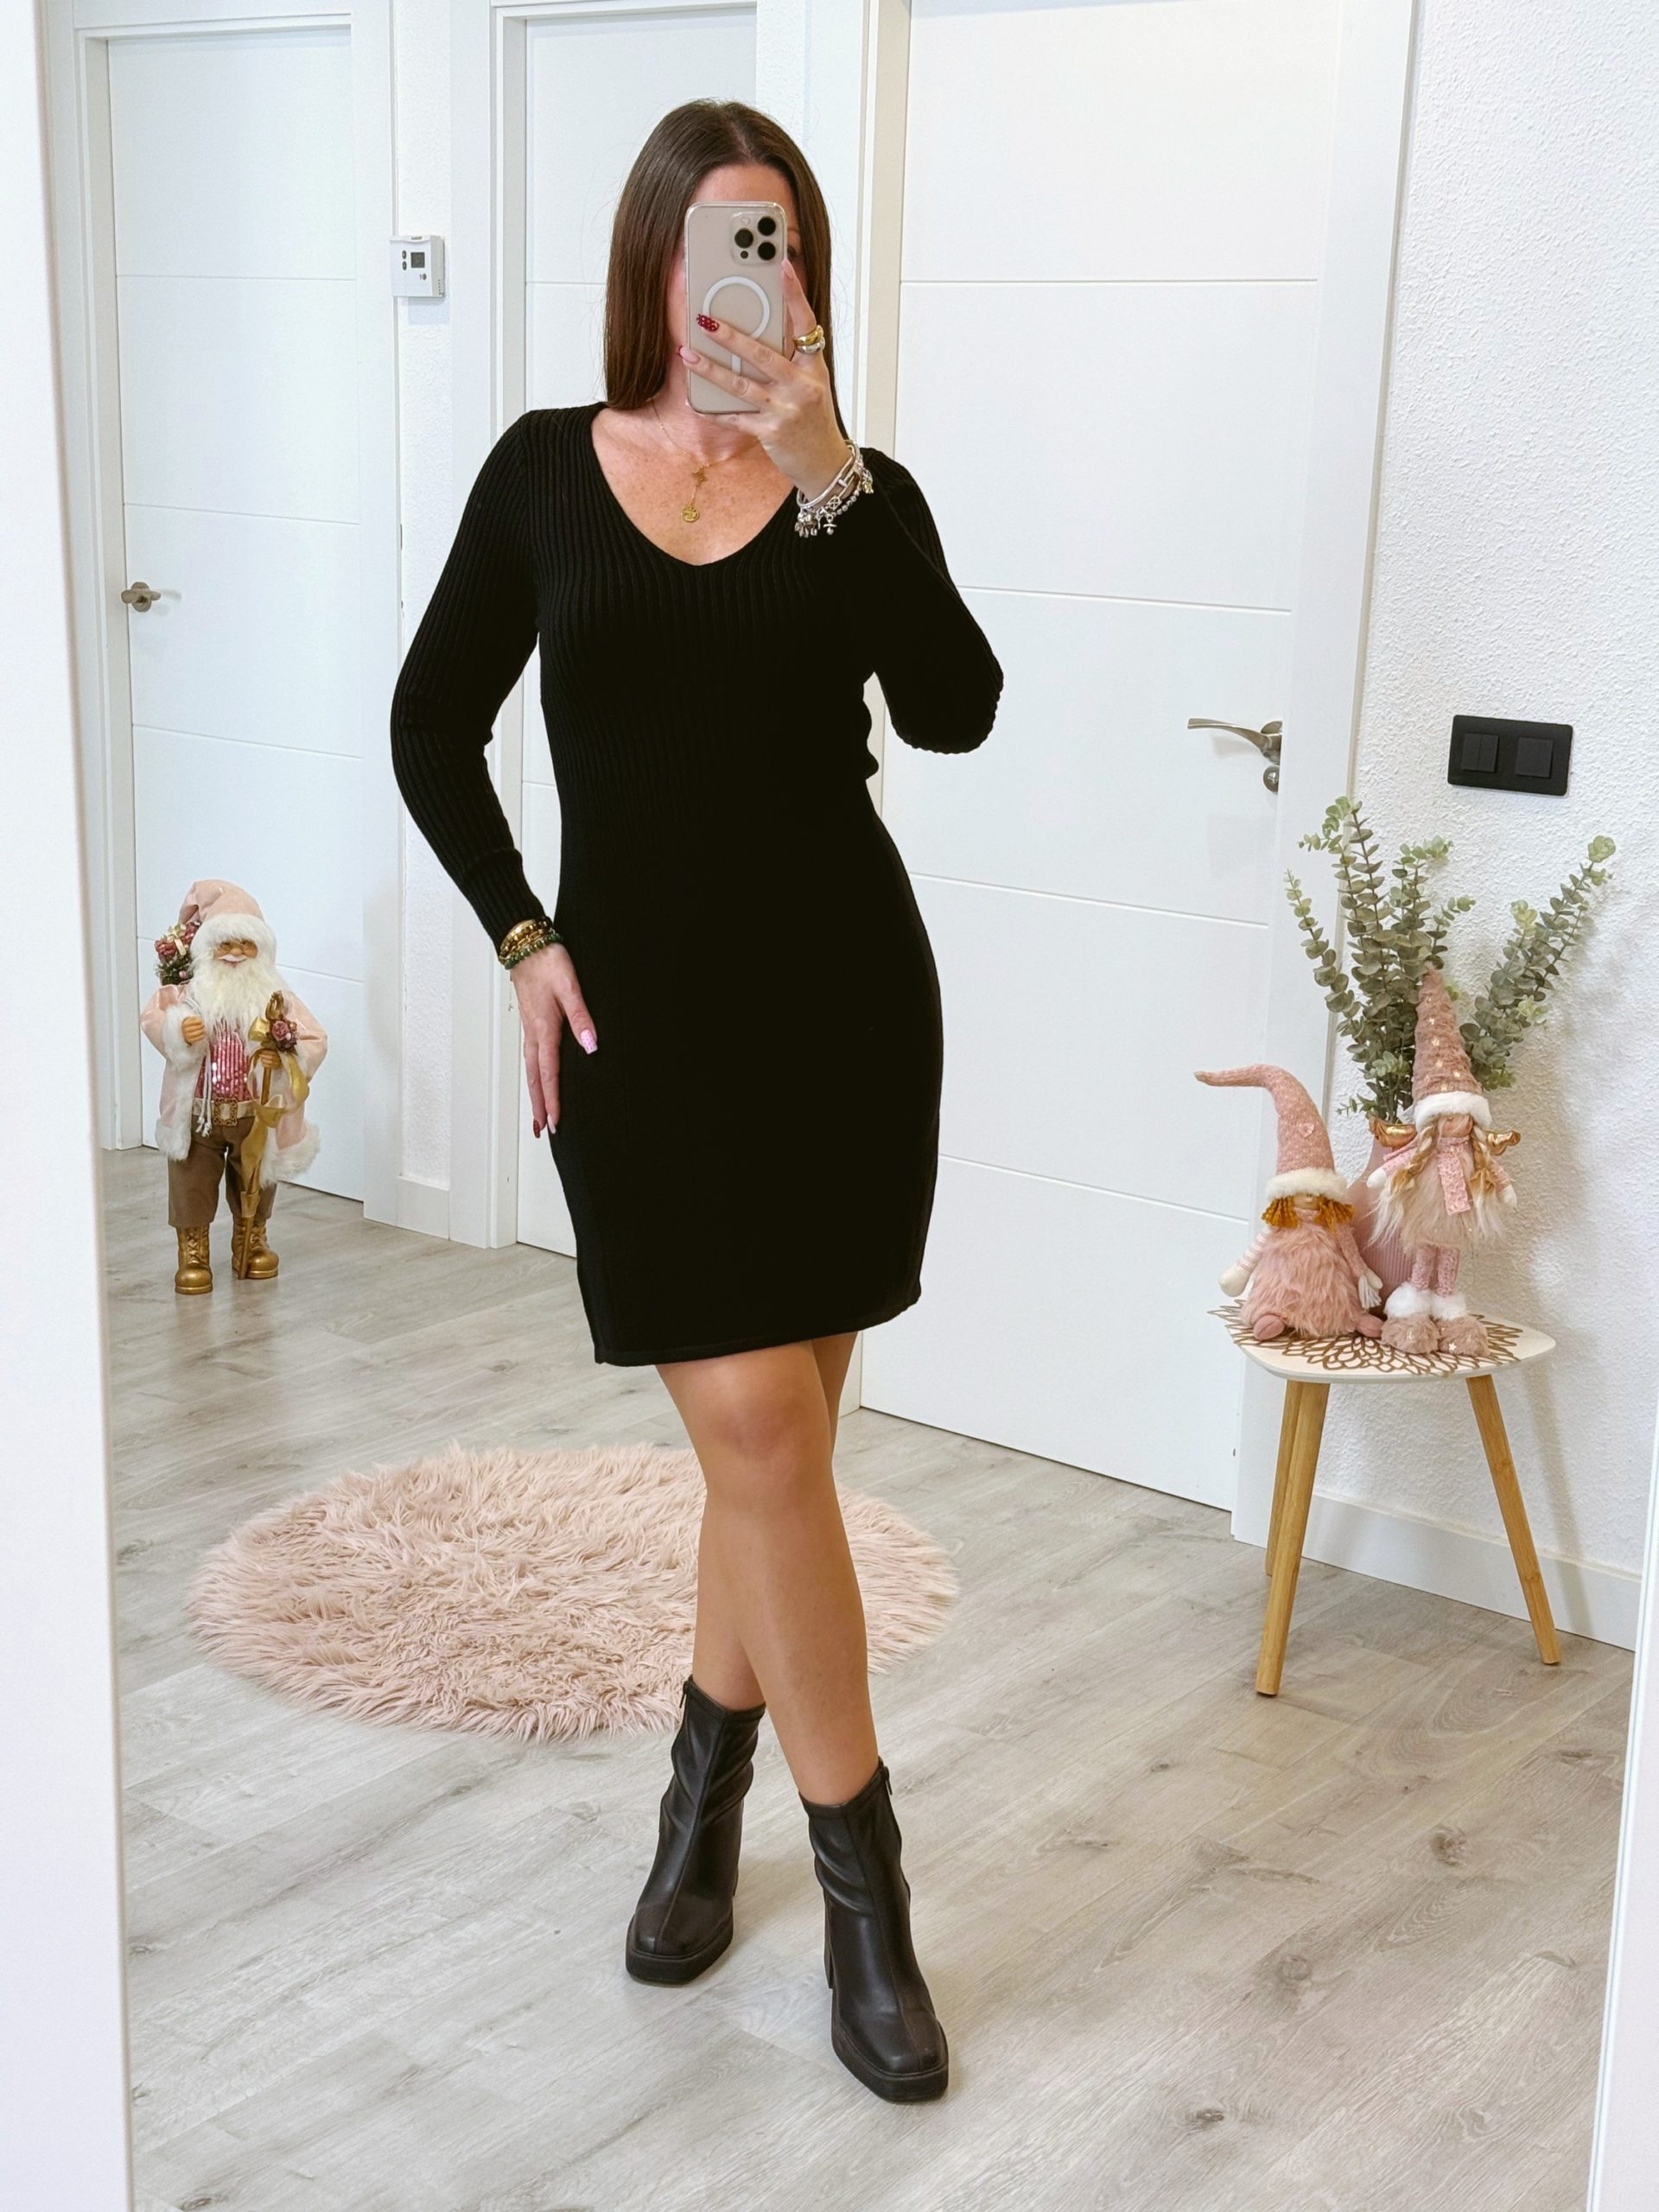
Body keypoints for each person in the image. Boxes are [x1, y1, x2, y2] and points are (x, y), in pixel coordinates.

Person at [391, 98, 1002, 2104]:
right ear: (655, 261)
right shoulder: (544, 473)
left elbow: (957, 706)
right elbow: (432, 721)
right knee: (757, 1427)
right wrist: (520, 933)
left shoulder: (855, 493)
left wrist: (831, 472)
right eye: (727, 239)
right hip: (645, 1037)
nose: (760, 275)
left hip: (844, 1018)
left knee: (778, 1455)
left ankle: (698, 1804)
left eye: (786, 242)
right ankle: (868, 1904)